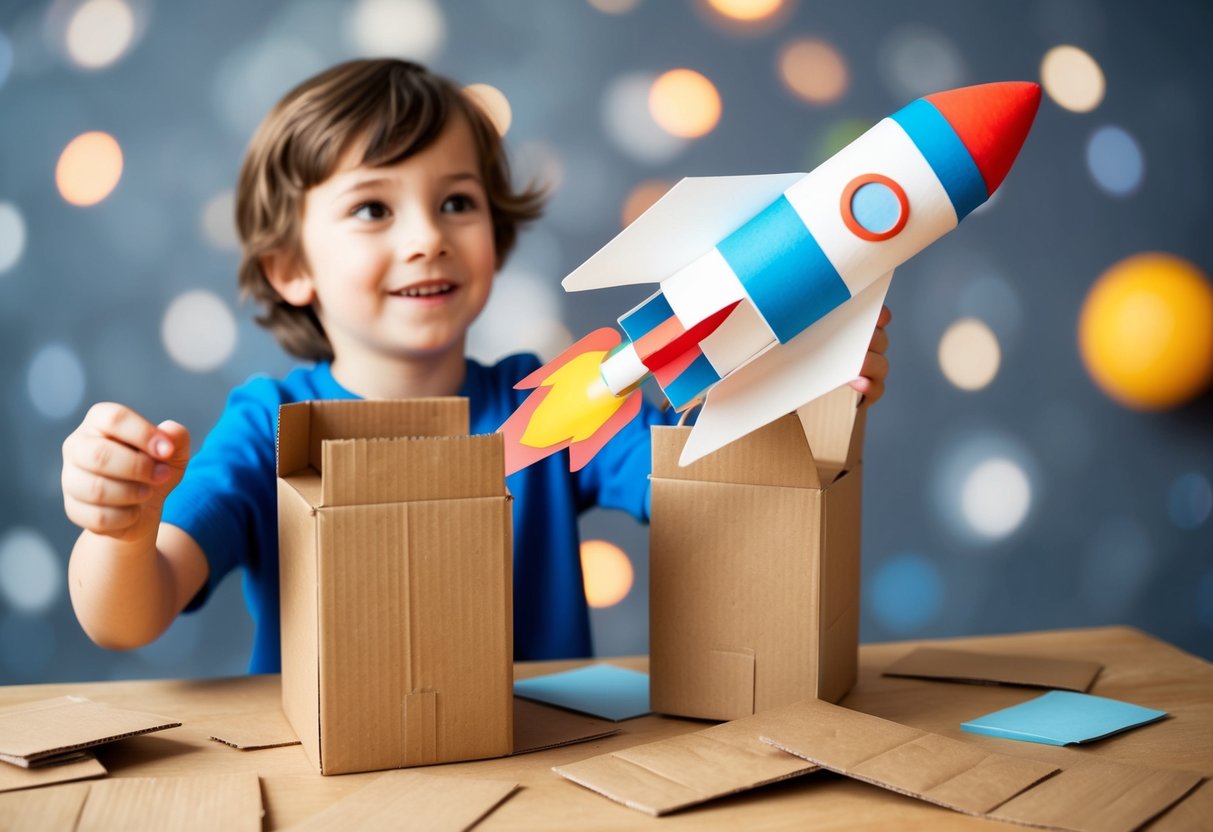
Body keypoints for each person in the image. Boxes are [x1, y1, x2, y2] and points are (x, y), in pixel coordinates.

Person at [61, 59, 891, 674]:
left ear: (494, 230)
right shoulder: (265, 430)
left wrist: (803, 387)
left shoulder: (563, 396)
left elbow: (725, 487)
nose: (426, 235)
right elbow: (131, 615)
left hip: (533, 779)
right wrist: (120, 530)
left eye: (456, 201)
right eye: (372, 208)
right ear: (288, 268)